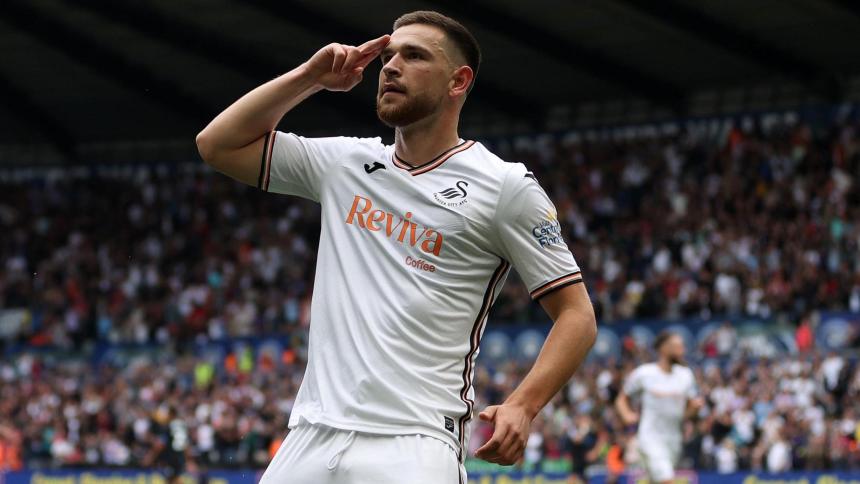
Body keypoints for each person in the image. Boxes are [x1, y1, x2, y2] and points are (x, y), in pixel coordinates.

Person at [196, 10, 596, 484]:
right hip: (311, 433)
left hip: (414, 441)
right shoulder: (345, 163)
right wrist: (310, 78)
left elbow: (577, 315)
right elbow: (217, 145)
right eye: (388, 56)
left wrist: (524, 406)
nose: (390, 66)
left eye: (414, 56)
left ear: (458, 81)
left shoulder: (504, 186)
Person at [615, 331, 702, 484]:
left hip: (673, 440)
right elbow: (621, 399)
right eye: (677, 346)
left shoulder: (686, 375)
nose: (682, 351)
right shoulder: (644, 373)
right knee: (667, 479)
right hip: (650, 438)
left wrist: (694, 409)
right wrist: (626, 414)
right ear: (663, 349)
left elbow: (685, 414)